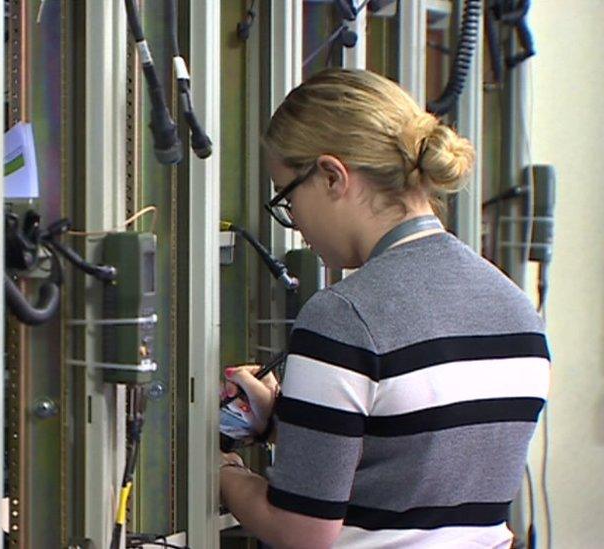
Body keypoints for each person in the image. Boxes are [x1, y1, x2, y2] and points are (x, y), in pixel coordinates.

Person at [218, 68, 550, 548]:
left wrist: (225, 473)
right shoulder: (518, 313)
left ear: (332, 177)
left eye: (288, 198)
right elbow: (414, 465)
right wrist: (285, 423)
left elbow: (303, 533)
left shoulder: (344, 317)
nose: (296, 226)